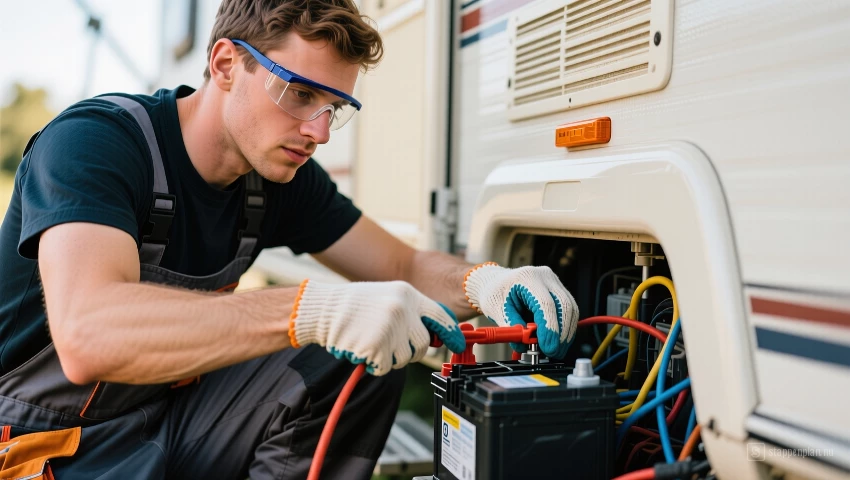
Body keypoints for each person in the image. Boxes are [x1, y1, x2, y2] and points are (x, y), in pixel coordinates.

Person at [0, 0, 579, 478]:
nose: (319, 131)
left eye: (334, 107)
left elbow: (399, 261)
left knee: (362, 356)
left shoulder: (278, 178)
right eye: (301, 94)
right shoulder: (95, 143)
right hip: (41, 441)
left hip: (164, 417)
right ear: (226, 63)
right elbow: (88, 334)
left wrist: (484, 280)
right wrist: (313, 308)